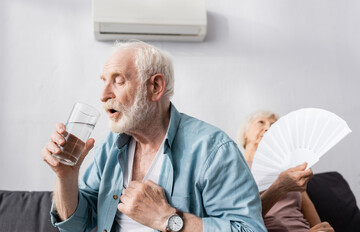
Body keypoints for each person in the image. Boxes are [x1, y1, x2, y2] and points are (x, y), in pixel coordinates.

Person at [42, 41, 267, 232]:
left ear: (156, 87)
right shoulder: (111, 147)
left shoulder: (213, 150)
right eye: (104, 81)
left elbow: (250, 228)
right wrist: (66, 177)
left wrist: (169, 219)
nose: (103, 95)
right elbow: (76, 226)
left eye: (118, 80)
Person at [237, 111, 334, 232]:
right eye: (261, 122)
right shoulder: (236, 169)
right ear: (245, 134)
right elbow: (240, 220)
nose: (268, 128)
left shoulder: (288, 170)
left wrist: (321, 228)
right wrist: (280, 186)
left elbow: (310, 213)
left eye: (273, 126)